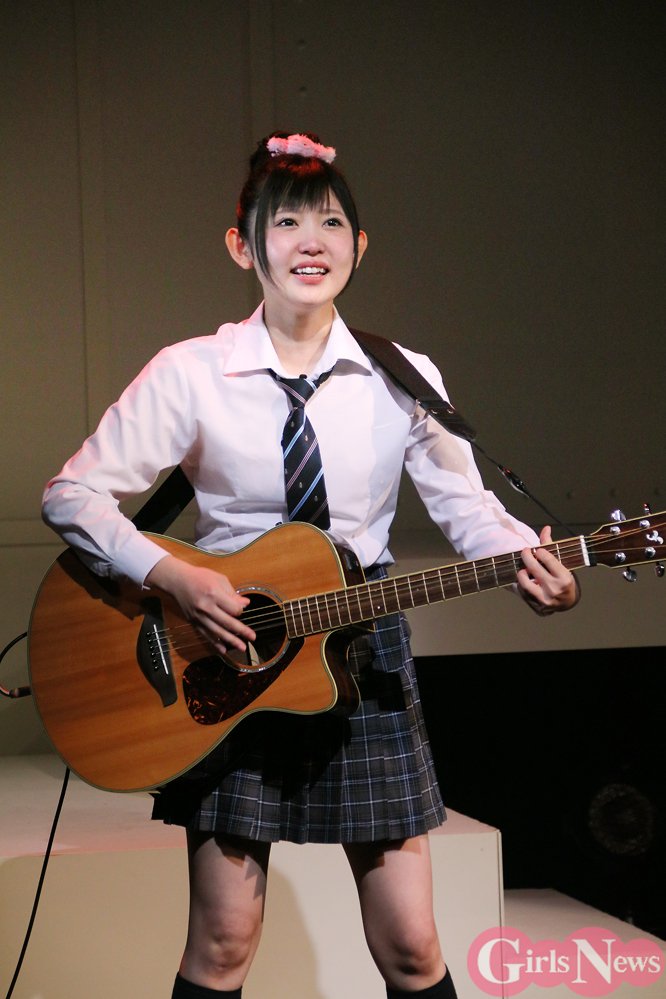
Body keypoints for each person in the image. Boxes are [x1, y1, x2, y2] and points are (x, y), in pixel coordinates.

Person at [42, 130, 580, 999]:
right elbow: (72, 495)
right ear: (242, 244)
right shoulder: (192, 372)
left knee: (412, 945)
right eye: (286, 222)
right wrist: (174, 577)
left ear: (359, 245)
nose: (311, 242)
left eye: (331, 223)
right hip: (228, 653)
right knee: (224, 940)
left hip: (361, 651)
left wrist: (533, 562)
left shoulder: (401, 374)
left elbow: (468, 509)